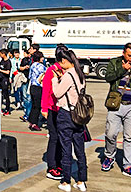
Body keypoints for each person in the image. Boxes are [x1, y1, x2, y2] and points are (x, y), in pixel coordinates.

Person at [102, 43, 131, 179]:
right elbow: (108, 78)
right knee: (110, 134)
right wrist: (122, 70)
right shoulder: (114, 62)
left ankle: (128, 166)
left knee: (130, 137)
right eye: (130, 55)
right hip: (115, 104)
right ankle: (109, 157)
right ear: (124, 53)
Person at [52, 49, 88, 192]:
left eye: (61, 62)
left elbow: (57, 93)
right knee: (80, 150)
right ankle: (81, 181)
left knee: (66, 149)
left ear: (65, 61)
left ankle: (66, 182)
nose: (60, 65)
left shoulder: (68, 75)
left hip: (66, 115)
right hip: (79, 116)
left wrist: (55, 80)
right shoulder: (80, 74)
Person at [41, 44, 68, 181]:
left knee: (61, 138)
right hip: (52, 108)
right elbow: (46, 90)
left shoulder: (67, 70)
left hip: (63, 109)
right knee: (54, 137)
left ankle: (59, 163)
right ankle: (52, 166)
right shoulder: (51, 70)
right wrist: (44, 108)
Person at [28, 50, 46, 131]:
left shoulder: (32, 65)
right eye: (42, 57)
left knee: (34, 105)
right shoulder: (41, 66)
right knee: (37, 106)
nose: (43, 59)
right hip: (38, 87)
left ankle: (31, 121)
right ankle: (34, 123)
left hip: (32, 86)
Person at [18, 45, 37, 122]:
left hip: (32, 81)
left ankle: (28, 115)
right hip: (25, 79)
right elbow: (20, 67)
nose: (29, 50)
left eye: (31, 49)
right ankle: (27, 113)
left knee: (29, 98)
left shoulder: (36, 59)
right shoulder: (27, 59)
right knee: (25, 96)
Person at [0, 49, 12, 115]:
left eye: (1, 54)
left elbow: (8, 72)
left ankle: (7, 109)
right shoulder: (2, 61)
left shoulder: (8, 62)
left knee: (5, 95)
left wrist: (0, 70)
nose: (0, 55)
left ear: (3, 54)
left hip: (5, 80)